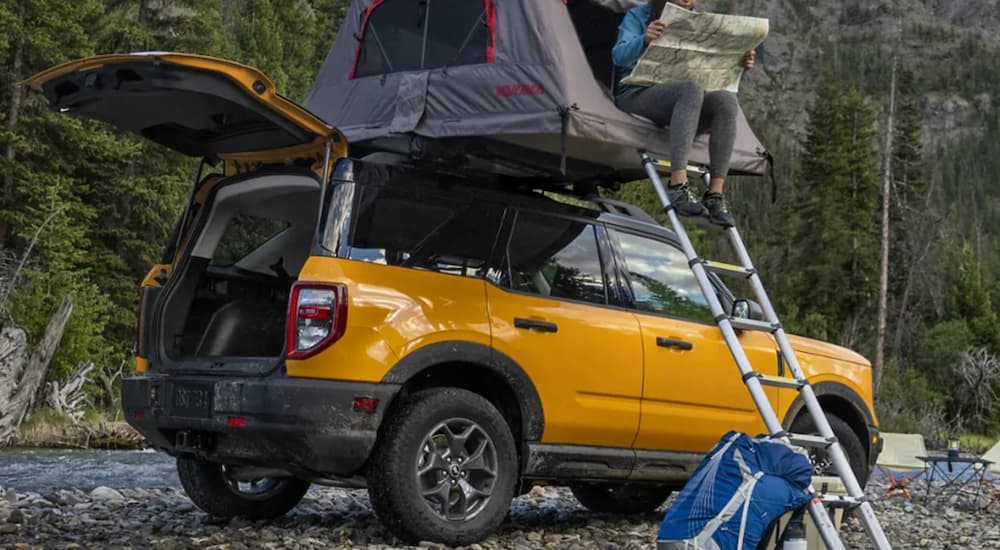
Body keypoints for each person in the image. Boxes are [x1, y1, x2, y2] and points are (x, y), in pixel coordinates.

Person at [612, 0, 756, 226]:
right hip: (636, 94)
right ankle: (678, 185)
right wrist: (644, 40)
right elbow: (618, 56)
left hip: (682, 101)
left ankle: (715, 195)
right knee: (690, 88)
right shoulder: (639, 16)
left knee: (725, 101)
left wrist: (738, 64)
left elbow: (713, 73)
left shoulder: (700, 23)